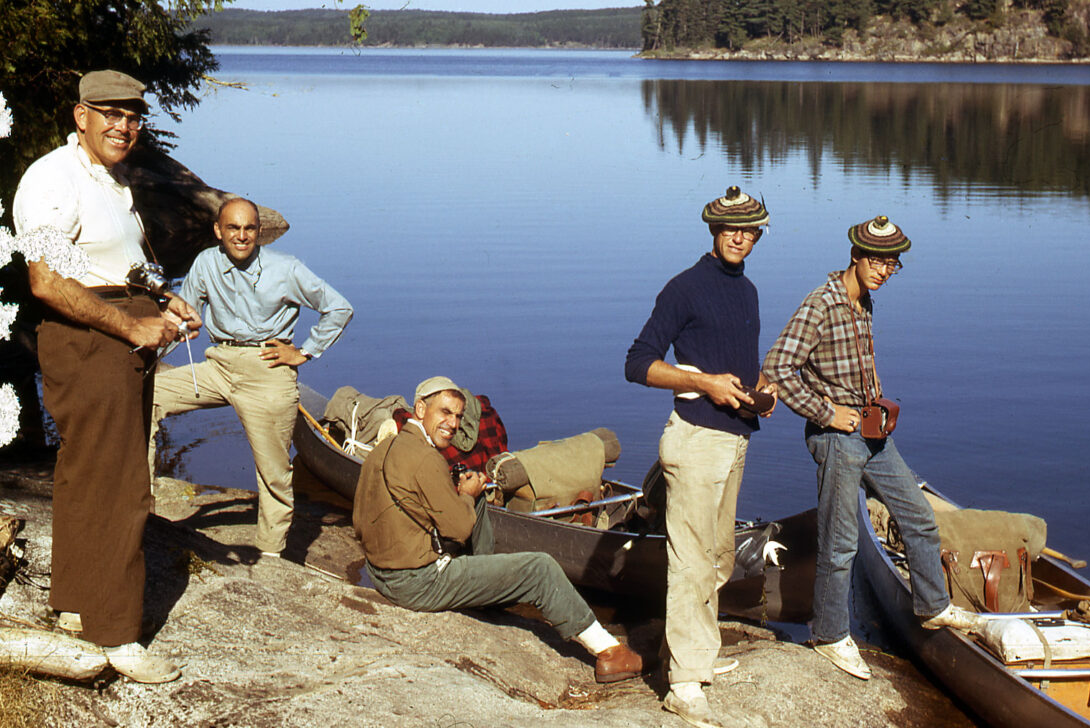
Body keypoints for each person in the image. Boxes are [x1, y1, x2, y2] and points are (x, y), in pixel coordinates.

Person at [13, 70, 203, 683]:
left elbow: (104, 258)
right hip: (91, 344)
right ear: (80, 115)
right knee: (120, 481)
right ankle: (116, 634)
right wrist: (130, 328)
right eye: (111, 114)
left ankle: (75, 602)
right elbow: (47, 280)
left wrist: (161, 298)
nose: (125, 126)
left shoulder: (107, 179)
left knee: (86, 472)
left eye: (133, 115)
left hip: (120, 333)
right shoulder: (51, 177)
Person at [761, 215, 983, 681]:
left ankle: (932, 606)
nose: (885, 271)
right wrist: (825, 412)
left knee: (920, 518)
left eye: (893, 264)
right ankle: (829, 635)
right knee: (840, 542)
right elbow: (779, 366)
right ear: (856, 257)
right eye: (878, 261)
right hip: (838, 440)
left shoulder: (864, 305)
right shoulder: (821, 304)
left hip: (873, 434)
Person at [351, 377, 642, 684]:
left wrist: (461, 501)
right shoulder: (426, 458)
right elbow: (461, 529)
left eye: (458, 416)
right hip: (416, 582)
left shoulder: (384, 449)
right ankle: (611, 654)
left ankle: (487, 594)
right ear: (421, 408)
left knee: (472, 501)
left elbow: (359, 523)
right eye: (445, 412)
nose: (453, 424)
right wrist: (466, 495)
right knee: (539, 568)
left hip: (381, 572)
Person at [624, 186, 777, 728]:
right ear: (713, 230)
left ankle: (690, 654)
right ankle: (684, 685)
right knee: (690, 562)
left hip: (734, 439)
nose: (741, 237)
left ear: (758, 234)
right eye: (731, 228)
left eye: (751, 230)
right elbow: (638, 363)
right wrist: (705, 383)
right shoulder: (684, 289)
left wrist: (764, 390)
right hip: (693, 440)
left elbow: (739, 366)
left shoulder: (749, 292)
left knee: (718, 558)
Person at [151, 197, 352, 558]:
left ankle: (271, 558)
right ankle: (141, 508)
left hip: (267, 369)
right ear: (218, 231)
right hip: (218, 364)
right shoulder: (205, 263)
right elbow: (183, 316)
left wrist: (304, 352)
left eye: (249, 229)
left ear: (259, 232)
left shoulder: (287, 269)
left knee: (274, 473)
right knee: (146, 395)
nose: (241, 236)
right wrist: (154, 350)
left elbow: (338, 308)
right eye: (233, 228)